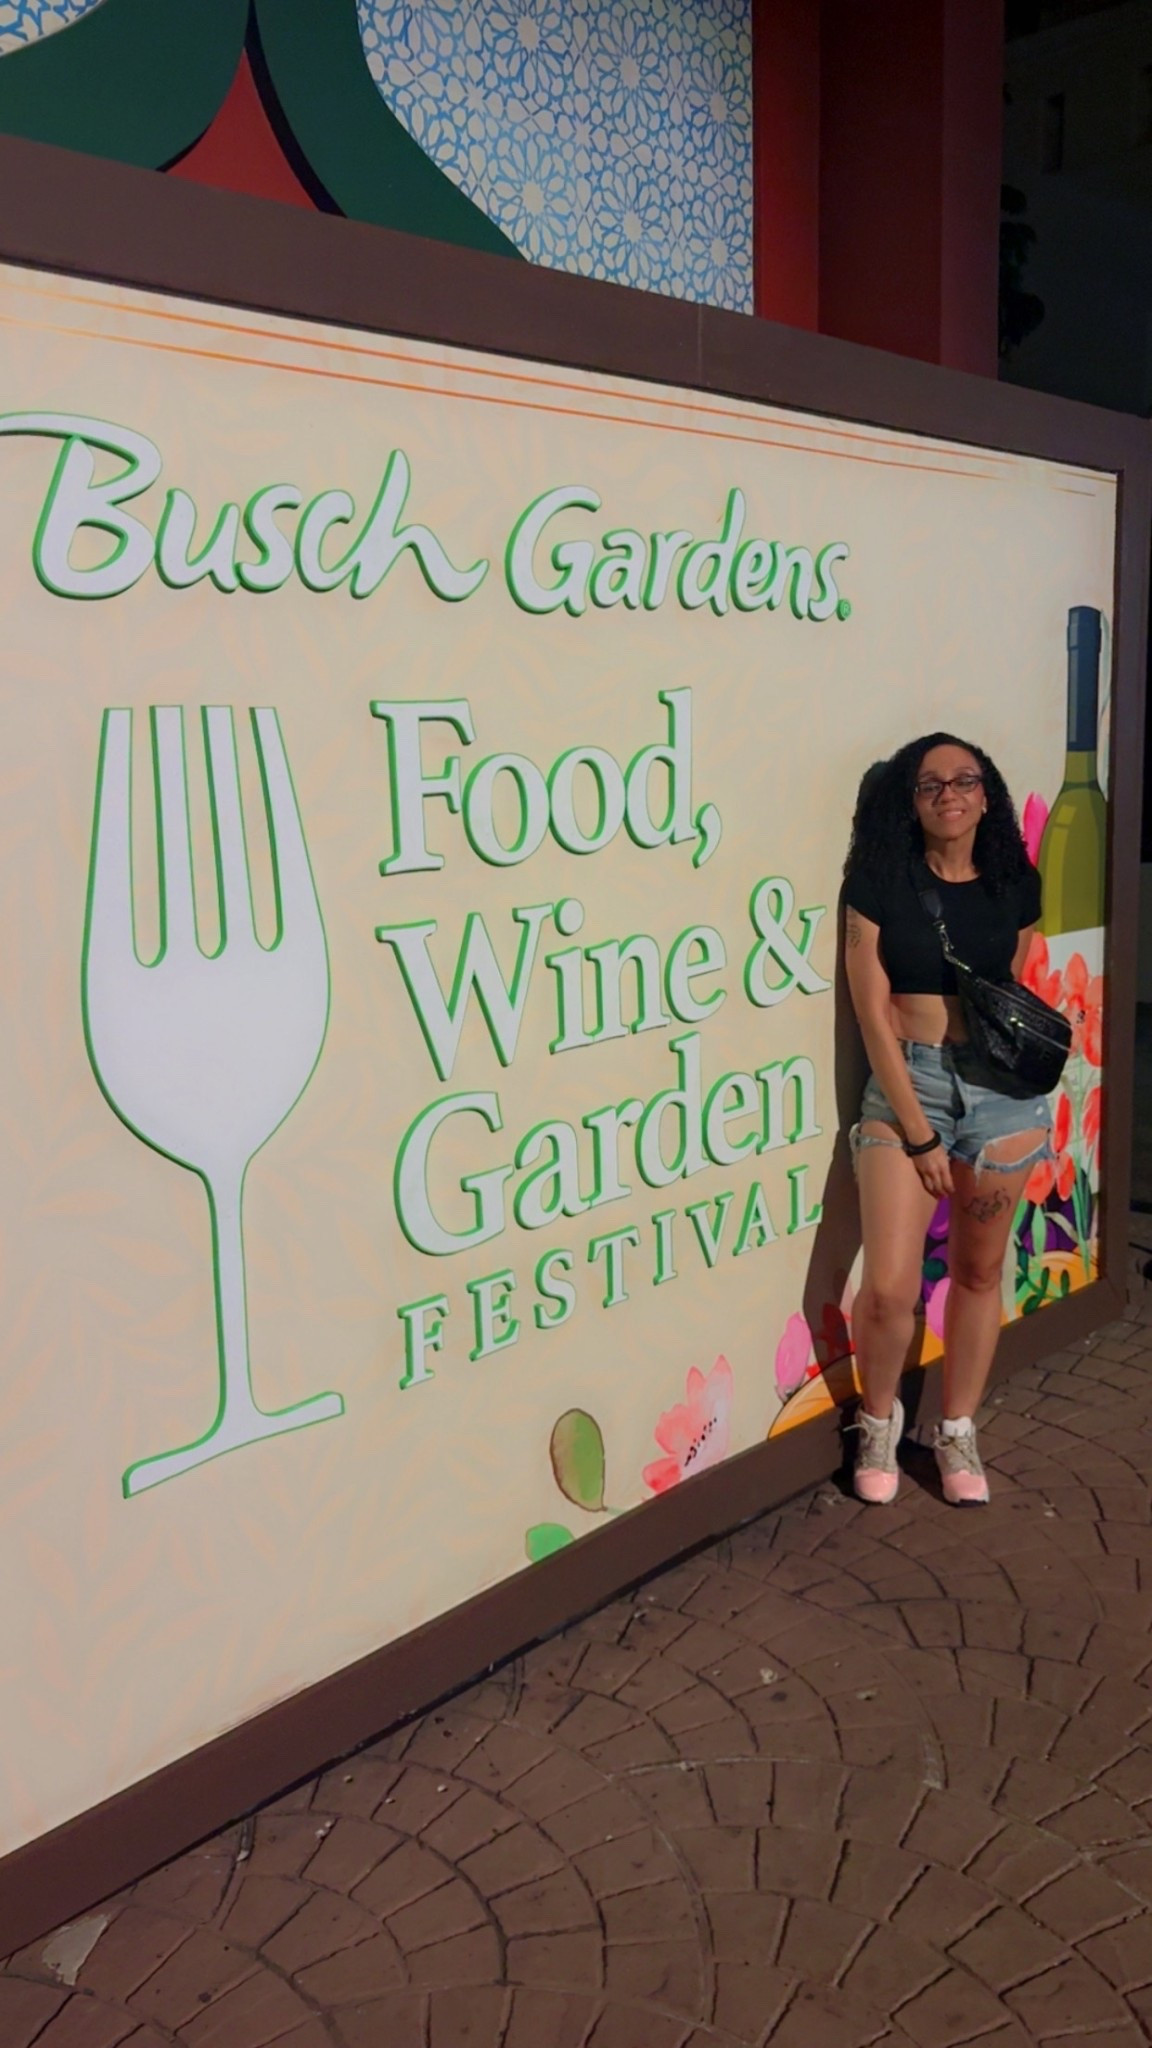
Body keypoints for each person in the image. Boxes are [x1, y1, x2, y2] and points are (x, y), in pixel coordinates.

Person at [841, 734, 1054, 1506]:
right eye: (931, 784)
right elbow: (870, 1009)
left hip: (1002, 1096)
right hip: (910, 1090)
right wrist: (921, 1131)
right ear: (912, 800)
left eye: (964, 780)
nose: (949, 794)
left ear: (986, 794)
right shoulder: (877, 883)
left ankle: (956, 1428)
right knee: (891, 1290)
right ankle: (876, 1419)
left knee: (978, 1271)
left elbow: (1020, 981)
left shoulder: (1014, 883)